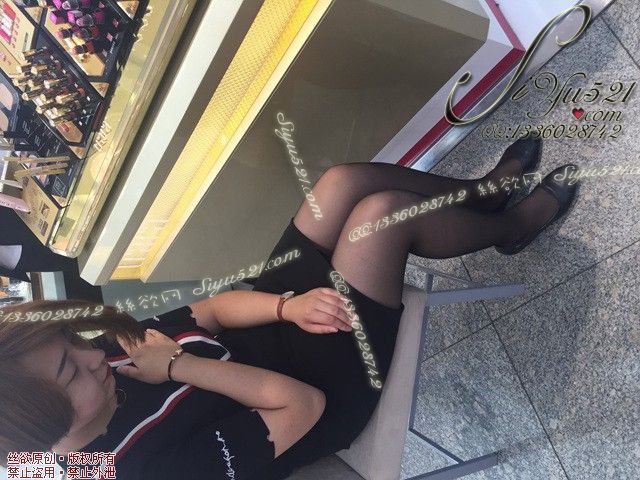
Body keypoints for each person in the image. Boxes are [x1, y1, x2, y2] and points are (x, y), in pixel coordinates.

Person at [0, 138, 579, 479]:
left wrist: (284, 307)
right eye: (69, 370)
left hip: (265, 334)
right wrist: (176, 366)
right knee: (378, 218)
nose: (90, 355)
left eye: (71, 344)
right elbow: (302, 405)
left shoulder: (92, 366)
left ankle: (481, 194)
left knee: (341, 184)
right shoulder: (141, 469)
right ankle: (511, 228)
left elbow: (211, 312)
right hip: (315, 394)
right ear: (46, 427)